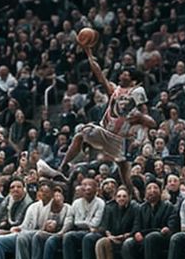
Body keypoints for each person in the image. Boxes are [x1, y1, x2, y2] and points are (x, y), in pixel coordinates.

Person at [39, 48, 155, 195]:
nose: (120, 75)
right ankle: (62, 169)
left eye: (125, 74)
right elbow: (99, 75)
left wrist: (141, 118)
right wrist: (88, 52)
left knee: (124, 173)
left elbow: (151, 122)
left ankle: (135, 196)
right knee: (81, 134)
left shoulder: (138, 92)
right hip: (104, 130)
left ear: (133, 80)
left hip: (120, 139)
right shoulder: (114, 89)